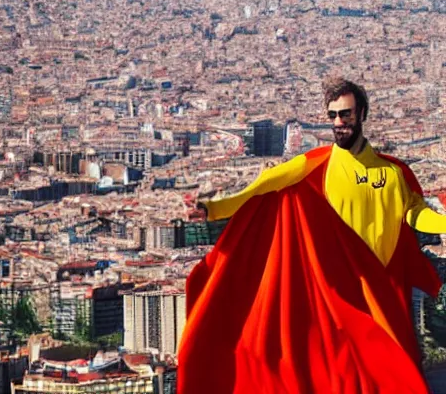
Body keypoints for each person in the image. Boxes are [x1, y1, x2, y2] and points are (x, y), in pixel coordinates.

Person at [177, 78, 446, 394]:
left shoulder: (393, 174)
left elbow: (415, 214)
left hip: (382, 292)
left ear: (362, 114)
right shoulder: (318, 164)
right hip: (339, 293)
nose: (338, 123)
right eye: (332, 115)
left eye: (345, 114)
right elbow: (263, 186)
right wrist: (212, 209)